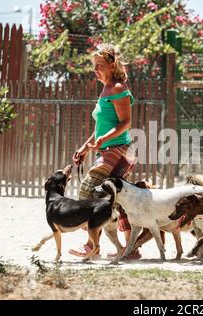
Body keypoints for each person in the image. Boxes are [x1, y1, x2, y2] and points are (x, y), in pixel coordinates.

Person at [68, 43, 140, 260]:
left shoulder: (118, 88)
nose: (95, 70)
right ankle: (131, 249)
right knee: (115, 199)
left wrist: (104, 139)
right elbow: (100, 128)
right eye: (94, 66)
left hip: (121, 150)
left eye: (99, 65)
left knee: (88, 189)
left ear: (112, 64)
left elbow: (126, 123)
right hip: (109, 149)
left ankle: (92, 246)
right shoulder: (105, 90)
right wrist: (84, 147)